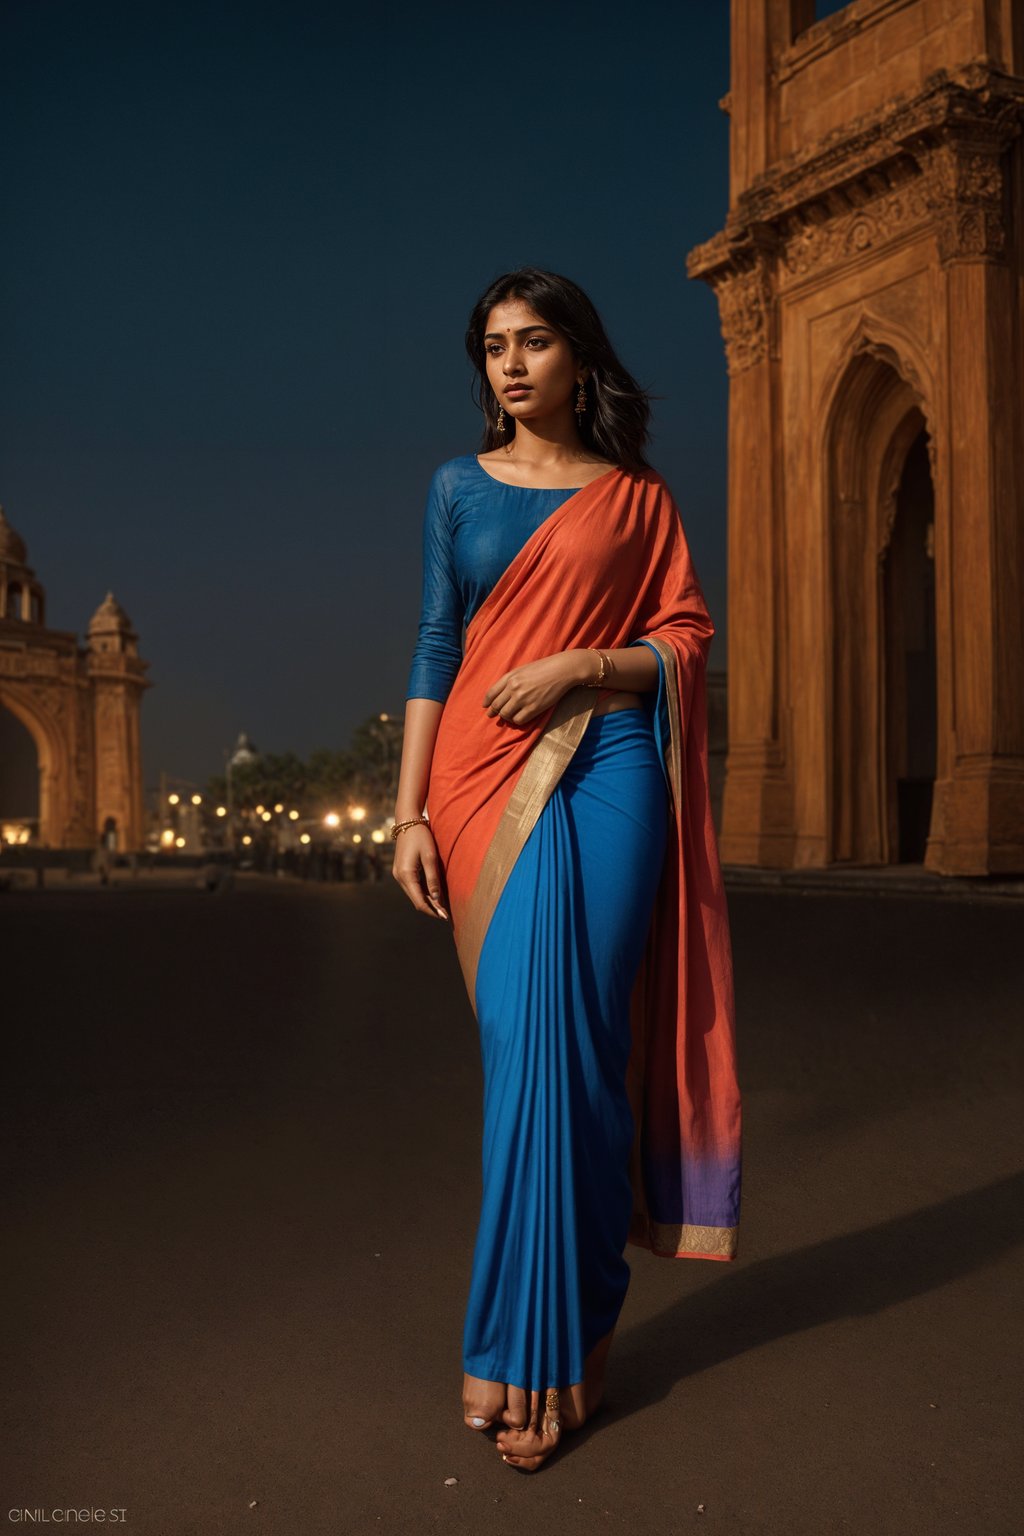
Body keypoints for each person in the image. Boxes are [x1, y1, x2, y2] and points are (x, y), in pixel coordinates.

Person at [392, 267, 742, 1473]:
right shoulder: (453, 489)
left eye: (534, 341)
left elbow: (688, 637)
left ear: (578, 358)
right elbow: (438, 648)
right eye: (492, 345)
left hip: (608, 782)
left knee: (585, 1052)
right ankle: (525, 1340)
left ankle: (557, 1345)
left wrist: (584, 665)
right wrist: (405, 817)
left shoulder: (638, 500)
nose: (510, 363)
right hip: (480, 788)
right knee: (527, 1057)